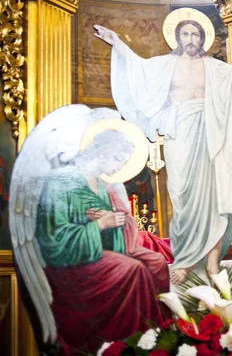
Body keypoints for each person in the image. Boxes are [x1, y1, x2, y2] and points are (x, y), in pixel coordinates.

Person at [93, 21, 232, 284]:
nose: (191, 38)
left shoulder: (215, 67)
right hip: (180, 132)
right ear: (177, 37)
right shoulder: (165, 64)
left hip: (211, 132)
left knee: (214, 196)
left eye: (195, 33)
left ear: (203, 38)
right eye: (185, 33)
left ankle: (211, 262)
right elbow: (139, 67)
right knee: (183, 195)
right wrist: (117, 42)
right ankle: (184, 260)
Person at [36, 130, 169, 354]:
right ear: (102, 152)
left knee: (156, 262)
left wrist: (117, 219)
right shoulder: (61, 184)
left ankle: (159, 336)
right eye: (119, 159)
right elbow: (53, 239)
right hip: (74, 261)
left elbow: (124, 221)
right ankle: (129, 343)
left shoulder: (105, 186)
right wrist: (98, 225)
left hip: (107, 250)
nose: (120, 167)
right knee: (134, 269)